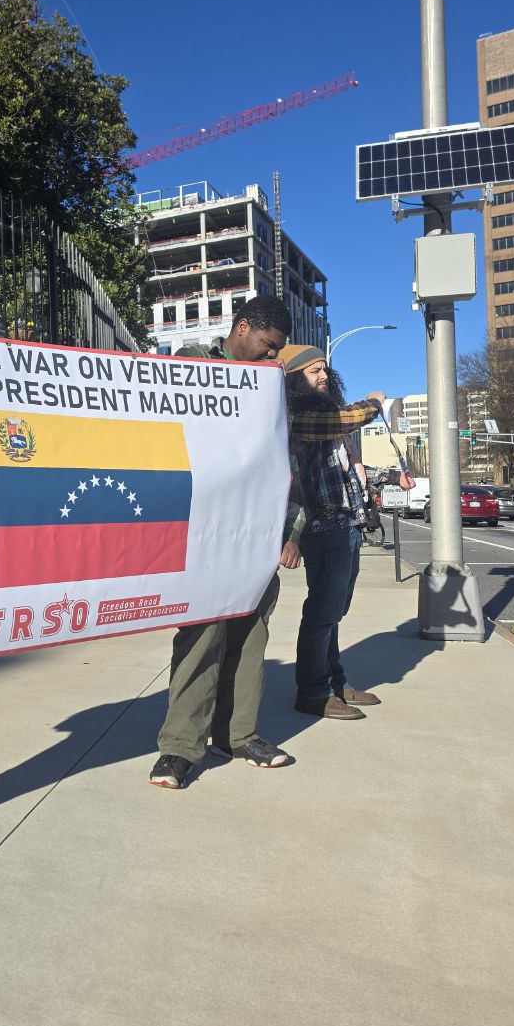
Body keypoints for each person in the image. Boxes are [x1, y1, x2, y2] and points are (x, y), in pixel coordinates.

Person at [149, 296, 302, 789]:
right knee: (203, 636)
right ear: (242, 329)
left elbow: (287, 465)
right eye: (267, 346)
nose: (272, 357)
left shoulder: (274, 390)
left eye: (277, 351)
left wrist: (291, 533)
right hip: (205, 536)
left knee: (250, 636)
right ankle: (179, 748)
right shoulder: (196, 362)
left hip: (255, 537)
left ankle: (239, 736)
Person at [281, 344, 385, 720]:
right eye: (315, 371)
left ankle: (334, 682)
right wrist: (374, 403)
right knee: (323, 611)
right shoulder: (300, 415)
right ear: (295, 380)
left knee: (334, 611)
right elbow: (347, 419)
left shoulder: (325, 414)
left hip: (346, 523)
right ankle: (312, 692)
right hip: (323, 526)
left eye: (325, 370)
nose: (324, 376)